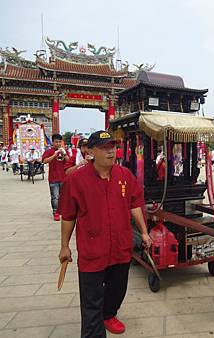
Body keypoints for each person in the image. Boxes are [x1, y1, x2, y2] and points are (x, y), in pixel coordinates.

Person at [58, 131, 152, 337]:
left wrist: (144, 232)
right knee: (91, 302)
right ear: (90, 152)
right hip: (93, 250)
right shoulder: (76, 180)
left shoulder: (125, 175)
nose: (111, 151)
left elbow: (135, 204)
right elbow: (68, 216)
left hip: (120, 247)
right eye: (104, 147)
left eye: (113, 146)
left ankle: (109, 314)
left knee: (117, 289)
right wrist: (64, 245)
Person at [42, 134, 69, 221]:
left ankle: (63, 211)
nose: (58, 144)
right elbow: (45, 161)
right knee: (55, 196)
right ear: (53, 142)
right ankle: (56, 212)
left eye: (59, 142)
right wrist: (54, 155)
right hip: (53, 178)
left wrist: (64, 153)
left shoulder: (64, 151)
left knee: (64, 196)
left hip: (64, 178)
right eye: (56, 142)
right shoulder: (49, 151)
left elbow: (70, 161)